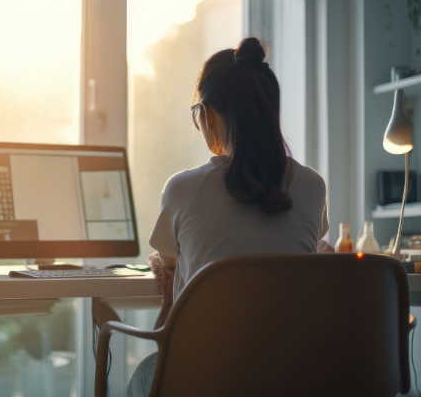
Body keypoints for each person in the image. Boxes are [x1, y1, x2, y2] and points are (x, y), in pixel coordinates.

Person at [126, 37, 329, 397]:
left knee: (144, 374)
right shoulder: (313, 186)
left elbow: (168, 262)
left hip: (204, 378)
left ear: (206, 114)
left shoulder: (184, 189)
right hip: (291, 377)